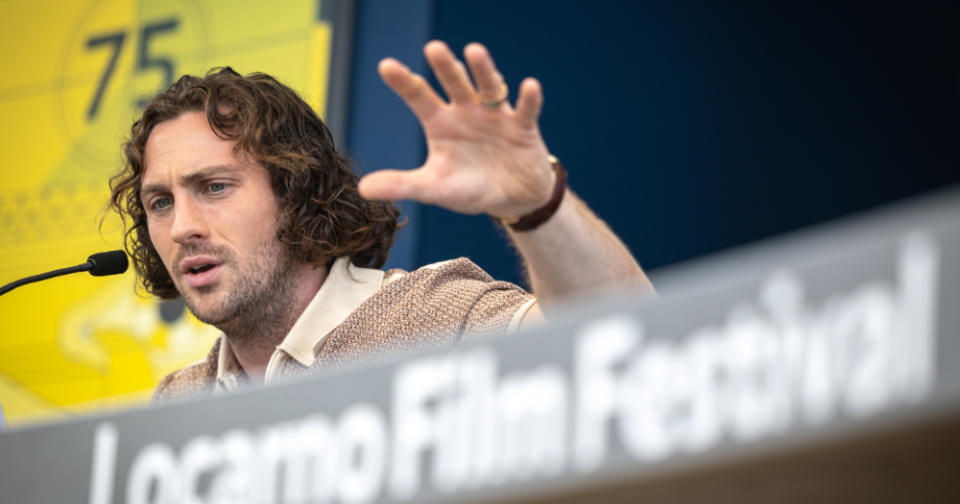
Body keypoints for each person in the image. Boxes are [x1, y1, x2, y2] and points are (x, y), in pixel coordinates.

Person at [108, 41, 653, 402]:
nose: (181, 227)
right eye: (160, 203)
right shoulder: (178, 400)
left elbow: (629, 343)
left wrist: (538, 206)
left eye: (215, 188)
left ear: (296, 191)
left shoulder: (426, 317)